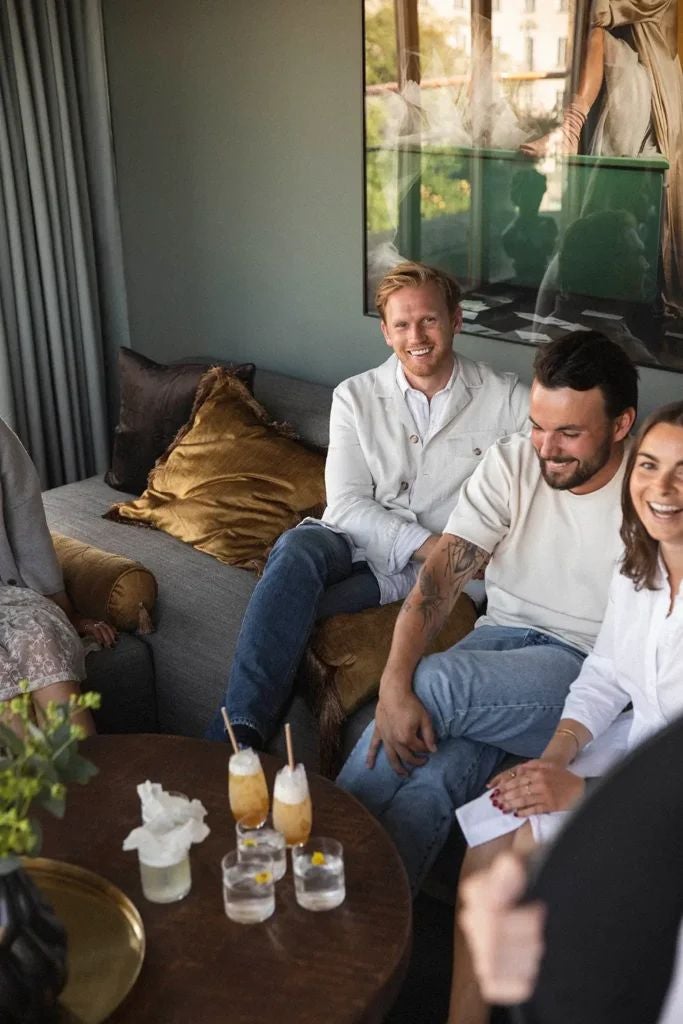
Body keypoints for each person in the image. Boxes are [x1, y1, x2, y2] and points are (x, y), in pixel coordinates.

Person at [337, 330, 637, 892]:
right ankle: (354, 942)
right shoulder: (512, 462)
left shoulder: (647, 493)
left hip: (579, 671)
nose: (545, 448)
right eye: (538, 425)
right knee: (436, 777)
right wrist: (393, 687)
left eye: (569, 433)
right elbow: (439, 582)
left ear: (620, 425)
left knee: (438, 683)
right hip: (498, 645)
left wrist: (408, 684)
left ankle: (311, 850)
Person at [205, 261, 529, 749]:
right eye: (401, 324)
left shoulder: (503, 397)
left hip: (424, 576)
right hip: (351, 540)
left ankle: (247, 739)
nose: (416, 335)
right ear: (385, 331)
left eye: (429, 320)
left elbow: (567, 442)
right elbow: (348, 503)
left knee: (295, 620)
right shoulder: (354, 396)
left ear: (456, 320)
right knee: (296, 550)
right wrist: (432, 545)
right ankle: (239, 737)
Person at [450, 399, 683, 1024]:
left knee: (544, 856)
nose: (661, 488)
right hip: (637, 745)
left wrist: (580, 793)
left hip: (666, 797)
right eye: (651, 465)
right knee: (496, 830)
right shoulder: (642, 570)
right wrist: (550, 762)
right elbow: (605, 673)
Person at [0, 418, 116, 733]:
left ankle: (93, 779)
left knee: (41, 638)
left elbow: (29, 531)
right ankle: (36, 780)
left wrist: (70, 614)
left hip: (8, 596)